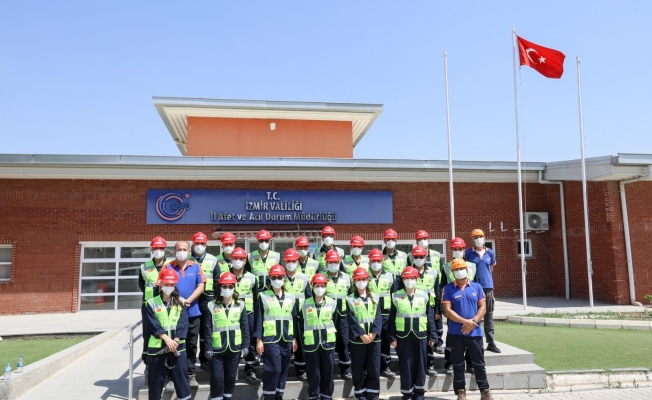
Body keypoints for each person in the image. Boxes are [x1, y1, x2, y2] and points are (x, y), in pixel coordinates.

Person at [441, 259, 492, 400]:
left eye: (461, 268)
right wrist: (465, 322)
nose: (459, 271)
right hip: (455, 333)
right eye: (456, 269)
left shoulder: (477, 287)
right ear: (452, 272)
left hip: (475, 332)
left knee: (479, 363)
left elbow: (483, 307)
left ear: (467, 270)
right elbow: (447, 311)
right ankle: (461, 392)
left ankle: (485, 392)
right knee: (458, 364)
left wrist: (473, 322)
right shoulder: (447, 289)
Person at [388, 267, 437, 400]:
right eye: (407, 278)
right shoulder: (395, 295)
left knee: (421, 364)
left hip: (421, 334)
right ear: (403, 280)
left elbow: (430, 316)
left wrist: (433, 335)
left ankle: (419, 393)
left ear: (416, 279)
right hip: (402, 336)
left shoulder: (424, 295)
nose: (409, 280)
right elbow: (391, 318)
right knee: (406, 364)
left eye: (412, 278)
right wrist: (391, 336)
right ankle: (407, 393)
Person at [163, 240, 205, 388]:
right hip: (173, 314)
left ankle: (191, 375)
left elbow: (201, 285)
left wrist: (189, 300)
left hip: (192, 312)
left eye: (184, 249)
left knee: (191, 345)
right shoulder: (167, 267)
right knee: (173, 345)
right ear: (174, 252)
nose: (181, 252)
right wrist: (177, 301)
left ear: (189, 251)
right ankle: (171, 377)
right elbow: (161, 286)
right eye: (179, 249)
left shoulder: (196, 267)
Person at [254, 264, 299, 400]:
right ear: (270, 278)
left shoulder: (291, 297)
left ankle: (279, 396)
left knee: (284, 370)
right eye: (274, 277)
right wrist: (258, 340)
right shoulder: (263, 296)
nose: (277, 280)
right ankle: (269, 396)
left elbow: (294, 319)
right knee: (273, 369)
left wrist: (294, 338)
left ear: (284, 278)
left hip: (286, 339)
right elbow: (258, 319)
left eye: (280, 277)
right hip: (270, 339)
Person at [144, 268, 191, 400]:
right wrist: (166, 338)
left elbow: (183, 323)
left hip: (177, 347)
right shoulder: (151, 303)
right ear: (160, 284)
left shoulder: (181, 301)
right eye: (166, 284)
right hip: (157, 349)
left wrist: (176, 340)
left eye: (171, 284)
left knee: (182, 383)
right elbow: (152, 324)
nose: (169, 287)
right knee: (155, 384)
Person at [203, 272, 250, 400]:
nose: (227, 289)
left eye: (230, 286)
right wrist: (208, 347)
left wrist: (245, 346)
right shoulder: (211, 306)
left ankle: (227, 398)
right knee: (217, 378)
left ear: (234, 288)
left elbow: (245, 327)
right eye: (225, 286)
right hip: (216, 349)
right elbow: (207, 329)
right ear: (220, 287)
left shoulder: (240, 305)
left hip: (234, 348)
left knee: (230, 378)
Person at [298, 273, 337, 400]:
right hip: (311, 343)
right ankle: (314, 396)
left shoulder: (332, 303)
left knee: (328, 372)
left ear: (326, 287)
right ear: (312, 286)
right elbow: (301, 323)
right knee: (313, 373)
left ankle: (327, 396)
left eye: (322, 286)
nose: (320, 288)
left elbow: (335, 321)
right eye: (317, 286)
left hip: (328, 343)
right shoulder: (305, 304)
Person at [442, 237, 477, 375]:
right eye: (455, 249)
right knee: (452, 336)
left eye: (460, 248)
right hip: (453, 307)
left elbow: (477, 285)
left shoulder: (472, 265)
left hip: (470, 306)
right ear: (451, 250)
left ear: (464, 249)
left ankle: (470, 363)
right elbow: (442, 287)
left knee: (470, 335)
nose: (458, 251)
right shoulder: (446, 267)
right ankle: (450, 363)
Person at [347, 268, 382, 400]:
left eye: (363, 279)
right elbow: (351, 319)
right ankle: (361, 393)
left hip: (374, 339)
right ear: (354, 281)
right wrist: (361, 334)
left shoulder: (375, 297)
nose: (361, 282)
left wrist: (373, 333)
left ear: (368, 280)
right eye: (358, 279)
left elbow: (378, 317)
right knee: (358, 368)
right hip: (358, 340)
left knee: (374, 367)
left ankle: (373, 394)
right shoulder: (350, 299)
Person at [408, 230, 445, 355]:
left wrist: (439, 308)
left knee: (435, 323)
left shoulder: (436, 255)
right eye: (420, 239)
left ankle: (438, 343)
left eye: (424, 238)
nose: (422, 241)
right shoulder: (410, 256)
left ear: (429, 240)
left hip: (432, 298)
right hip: (417, 299)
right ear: (416, 241)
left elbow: (439, 276)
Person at [405, 246, 440, 377]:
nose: (419, 259)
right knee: (415, 338)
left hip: (429, 308)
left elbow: (437, 291)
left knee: (430, 337)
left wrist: (438, 310)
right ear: (412, 257)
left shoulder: (433, 272)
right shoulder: (408, 272)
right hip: (412, 308)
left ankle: (430, 364)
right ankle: (415, 365)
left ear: (426, 258)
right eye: (416, 257)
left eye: (421, 257)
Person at [464, 229, 500, 353]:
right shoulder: (468, 253)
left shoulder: (490, 252)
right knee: (474, 314)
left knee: (489, 314)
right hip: (474, 287)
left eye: (480, 236)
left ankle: (491, 342)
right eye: (475, 237)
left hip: (488, 287)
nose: (478, 239)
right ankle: (473, 342)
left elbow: (491, 268)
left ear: (484, 238)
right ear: (472, 239)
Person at [188, 231, 219, 371]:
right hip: (192, 299)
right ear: (193, 244)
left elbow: (217, 280)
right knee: (192, 332)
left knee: (207, 330)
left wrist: (216, 299)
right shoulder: (187, 259)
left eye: (202, 243)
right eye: (197, 243)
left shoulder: (213, 259)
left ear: (206, 245)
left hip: (208, 298)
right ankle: (190, 361)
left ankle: (205, 359)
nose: (199, 246)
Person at [138, 236, 170, 372]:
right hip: (149, 306)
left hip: (167, 304)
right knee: (148, 334)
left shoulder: (171, 264)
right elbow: (142, 285)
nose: (158, 250)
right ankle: (148, 362)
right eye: (156, 248)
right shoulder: (144, 267)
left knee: (168, 332)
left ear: (165, 249)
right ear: (151, 249)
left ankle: (168, 361)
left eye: (161, 248)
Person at [229, 247, 260, 385]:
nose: (238, 261)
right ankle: (231, 370)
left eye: (241, 259)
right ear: (231, 259)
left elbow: (256, 298)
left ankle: (250, 370)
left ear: (245, 260)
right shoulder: (226, 276)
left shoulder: (252, 277)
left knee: (250, 342)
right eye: (235, 258)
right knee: (233, 340)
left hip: (248, 313)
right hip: (230, 314)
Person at [367, 248, 398, 378]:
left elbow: (394, 295)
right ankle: (371, 368)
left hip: (386, 314)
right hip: (370, 314)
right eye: (373, 260)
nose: (376, 263)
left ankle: (385, 367)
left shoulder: (389, 276)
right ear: (369, 261)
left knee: (385, 341)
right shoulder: (364, 276)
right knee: (372, 342)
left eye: (378, 260)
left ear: (382, 261)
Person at [283, 247, 312, 381]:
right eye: (288, 261)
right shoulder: (280, 277)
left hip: (300, 316)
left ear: (297, 262)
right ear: (284, 261)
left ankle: (301, 370)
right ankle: (284, 371)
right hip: (284, 315)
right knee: (286, 344)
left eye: (293, 261)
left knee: (300, 344)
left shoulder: (303, 278)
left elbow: (309, 297)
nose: (291, 263)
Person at [324, 249, 352, 380]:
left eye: (335, 262)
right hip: (327, 315)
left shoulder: (346, 277)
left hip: (343, 315)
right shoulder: (322, 277)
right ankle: (328, 369)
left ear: (339, 262)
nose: (333, 264)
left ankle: (345, 369)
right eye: (330, 262)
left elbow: (350, 293)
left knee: (344, 341)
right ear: (326, 263)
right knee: (328, 341)